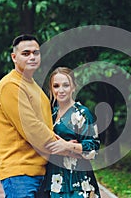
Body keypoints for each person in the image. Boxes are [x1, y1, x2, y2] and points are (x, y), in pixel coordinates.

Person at [0, 34, 57, 197]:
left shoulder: (34, 87)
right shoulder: (10, 85)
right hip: (20, 172)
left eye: (36, 53)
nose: (32, 57)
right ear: (14, 57)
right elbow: (32, 129)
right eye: (26, 53)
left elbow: (45, 125)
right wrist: (65, 147)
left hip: (40, 171)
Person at [42, 67, 101, 198]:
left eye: (66, 85)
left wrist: (68, 146)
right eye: (56, 86)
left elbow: (94, 149)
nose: (61, 90)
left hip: (77, 181)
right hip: (54, 179)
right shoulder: (49, 114)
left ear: (74, 87)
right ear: (51, 89)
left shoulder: (82, 114)